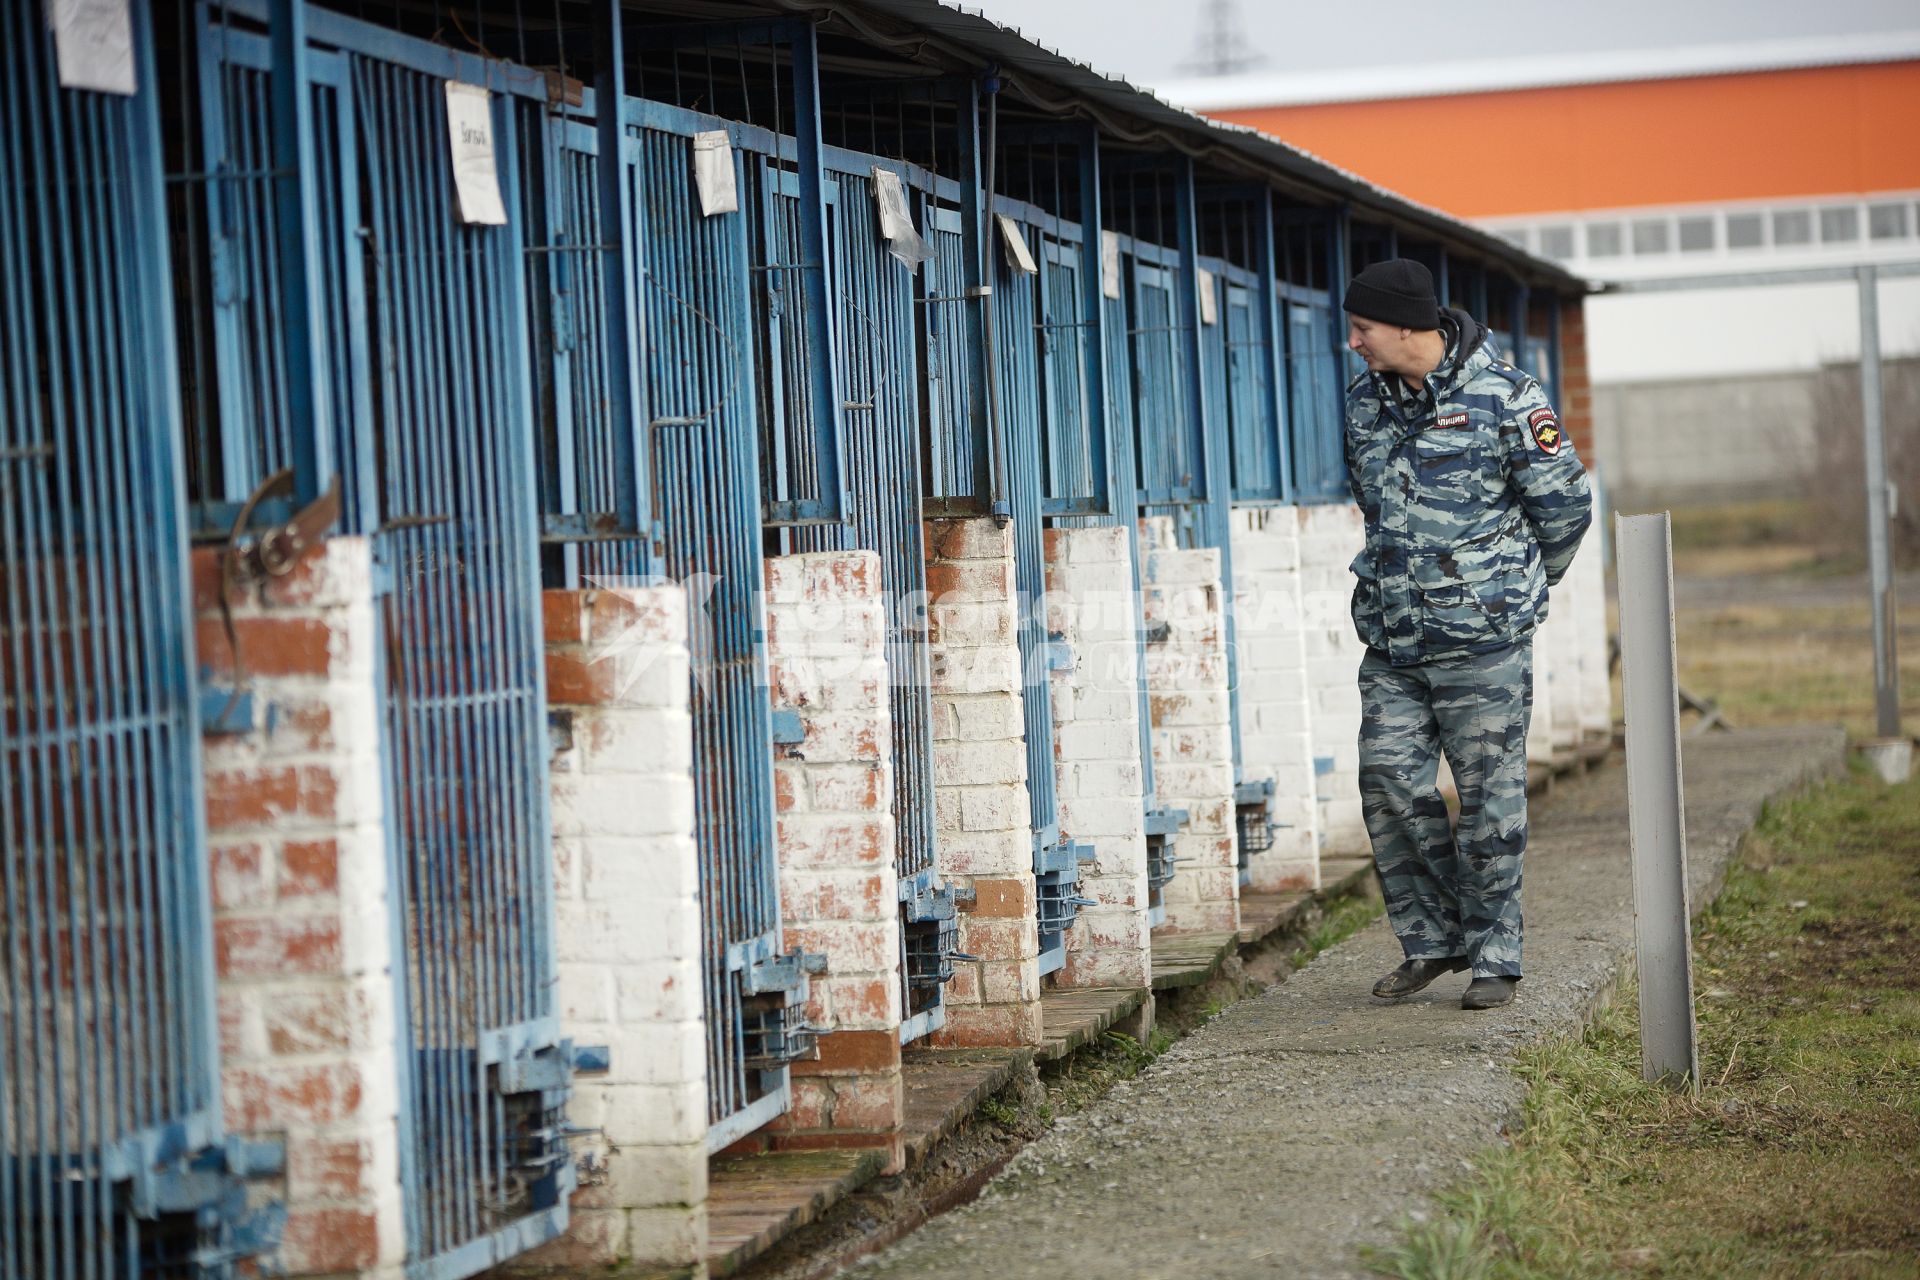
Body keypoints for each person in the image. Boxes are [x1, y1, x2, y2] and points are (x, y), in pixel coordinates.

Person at [1340, 258, 1591, 1010]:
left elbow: (1565, 510)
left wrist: (1502, 592)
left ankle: (1495, 956)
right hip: (1392, 642)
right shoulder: (1364, 404)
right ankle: (1433, 942)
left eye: (1363, 328)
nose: (1353, 342)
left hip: (1482, 642)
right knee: (1388, 785)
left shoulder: (1506, 396)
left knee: (1489, 801)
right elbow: (1375, 508)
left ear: (1409, 327)